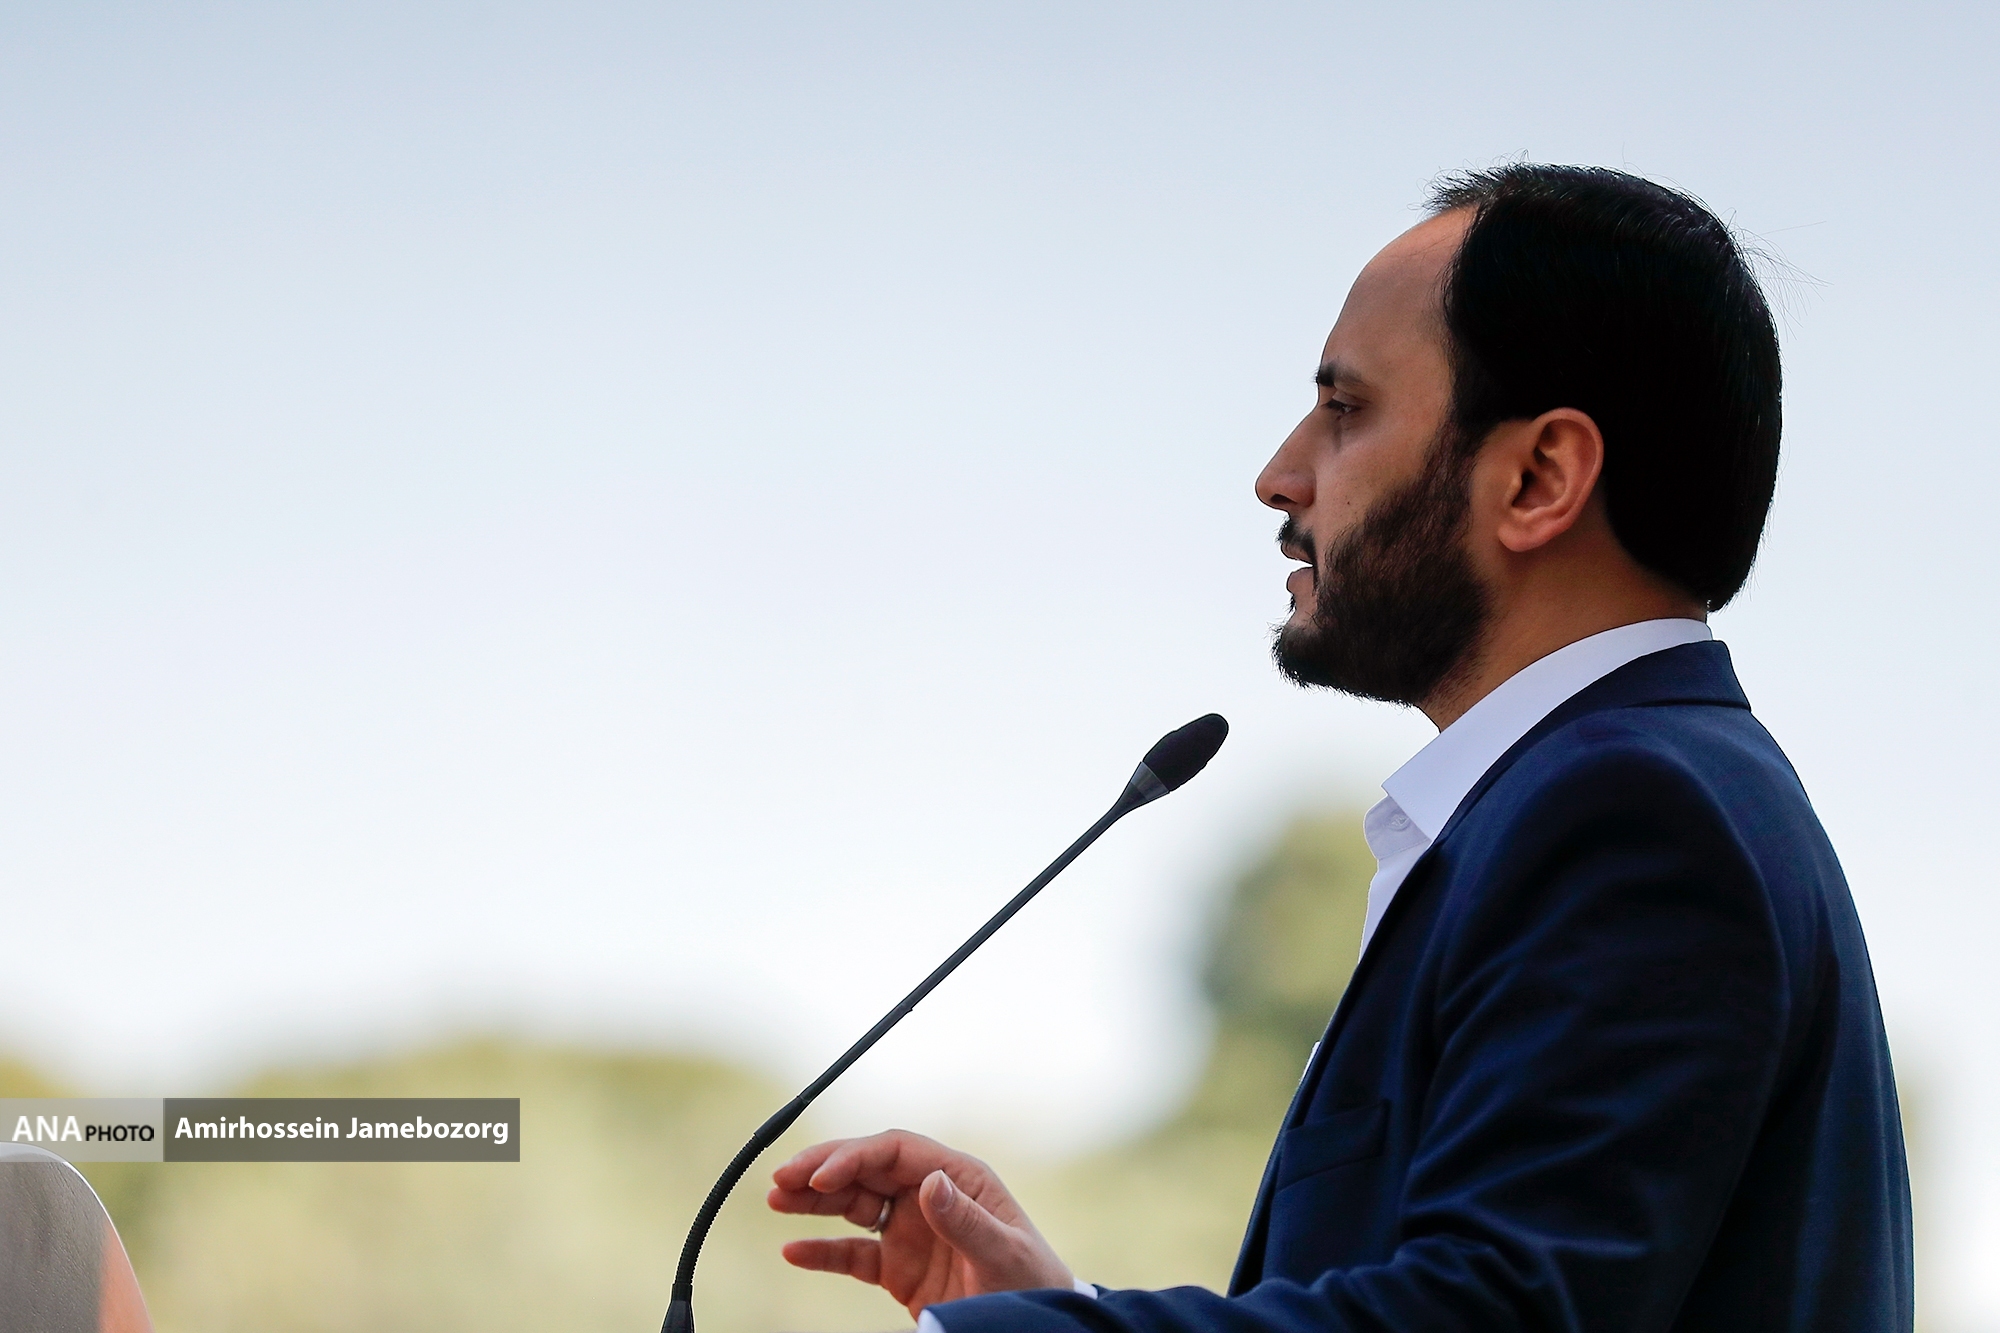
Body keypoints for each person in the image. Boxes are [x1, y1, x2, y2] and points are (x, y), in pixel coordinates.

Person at [765, 164, 1914, 1333]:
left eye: (1345, 409)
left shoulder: (1630, 813)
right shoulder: (1630, 796)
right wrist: (1064, 1310)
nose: (1279, 476)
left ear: (1536, 477)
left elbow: (1494, 1318)